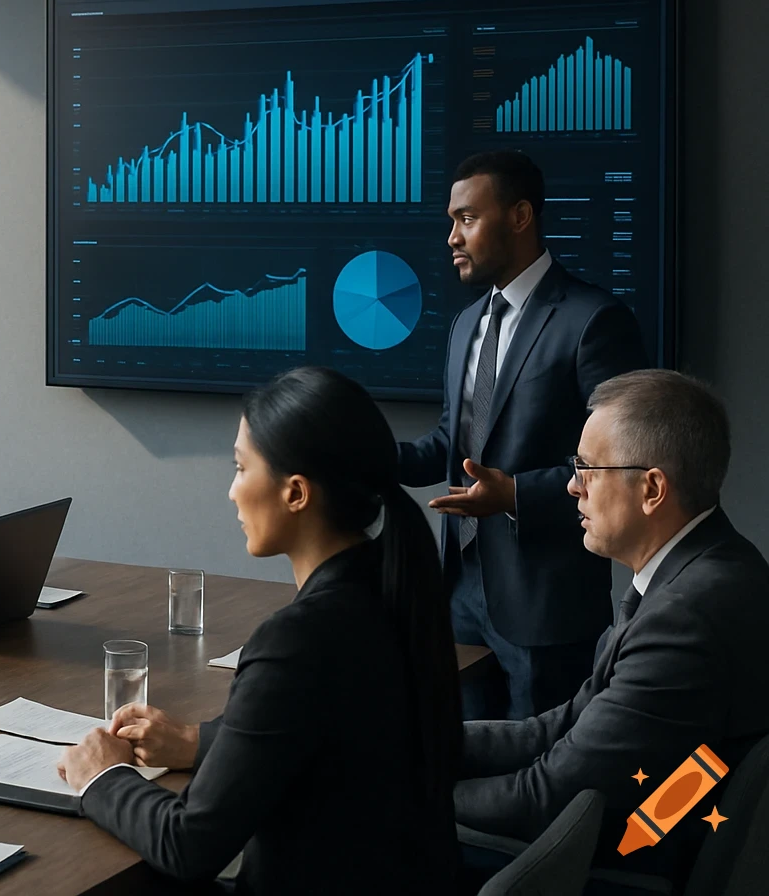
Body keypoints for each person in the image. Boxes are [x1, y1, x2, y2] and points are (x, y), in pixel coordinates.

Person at [56, 367, 462, 895]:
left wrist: (103, 778)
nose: (231, 492)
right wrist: (197, 742)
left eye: (241, 468)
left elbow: (190, 846)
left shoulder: (299, 640)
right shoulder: (391, 594)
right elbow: (319, 737)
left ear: (295, 493)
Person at [455, 370, 769, 888]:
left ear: (651, 489)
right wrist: (424, 739)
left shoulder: (686, 615)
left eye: (587, 468)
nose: (571, 485)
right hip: (660, 827)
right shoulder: (709, 566)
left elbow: (544, 798)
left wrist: (404, 785)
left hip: (632, 858)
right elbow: (562, 728)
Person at [400, 151, 648, 721]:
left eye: (467, 219)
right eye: (451, 221)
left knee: (542, 787)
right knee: (459, 764)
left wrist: (512, 495)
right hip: (458, 592)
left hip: (546, 607)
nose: (452, 238)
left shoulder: (594, 321)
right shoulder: (466, 325)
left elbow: (626, 463)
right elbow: (452, 443)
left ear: (519, 217)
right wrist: (360, 456)